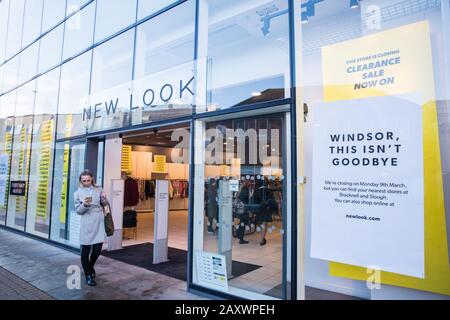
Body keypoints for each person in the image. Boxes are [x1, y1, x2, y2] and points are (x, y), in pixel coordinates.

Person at [74, 169, 109, 286]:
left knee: (97, 251)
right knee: (85, 251)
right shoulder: (77, 193)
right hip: (86, 222)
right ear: (81, 181)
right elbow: (78, 211)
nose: (86, 182)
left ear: (92, 179)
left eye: (88, 180)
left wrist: (104, 199)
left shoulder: (99, 189)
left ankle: (90, 266)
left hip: (98, 222)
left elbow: (105, 204)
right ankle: (88, 275)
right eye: (84, 181)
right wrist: (84, 205)